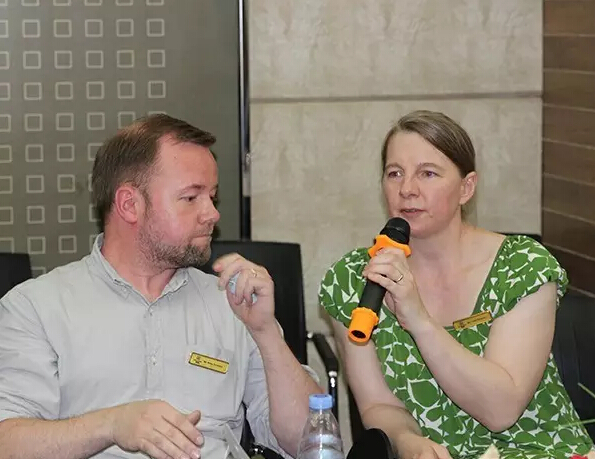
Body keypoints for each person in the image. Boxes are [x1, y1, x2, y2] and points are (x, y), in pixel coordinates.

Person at [0, 114, 322, 459]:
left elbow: (310, 442)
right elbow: (8, 442)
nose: (212, 214)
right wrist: (112, 424)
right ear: (130, 205)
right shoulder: (37, 307)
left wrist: (266, 333)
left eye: (212, 197)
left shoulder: (232, 302)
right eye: (191, 198)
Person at [319, 110, 595, 459]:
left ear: (466, 188)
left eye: (427, 173)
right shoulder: (354, 279)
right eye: (395, 173)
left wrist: (418, 319)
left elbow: (501, 410)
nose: (407, 189)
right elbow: (378, 404)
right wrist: (407, 441)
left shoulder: (522, 266)